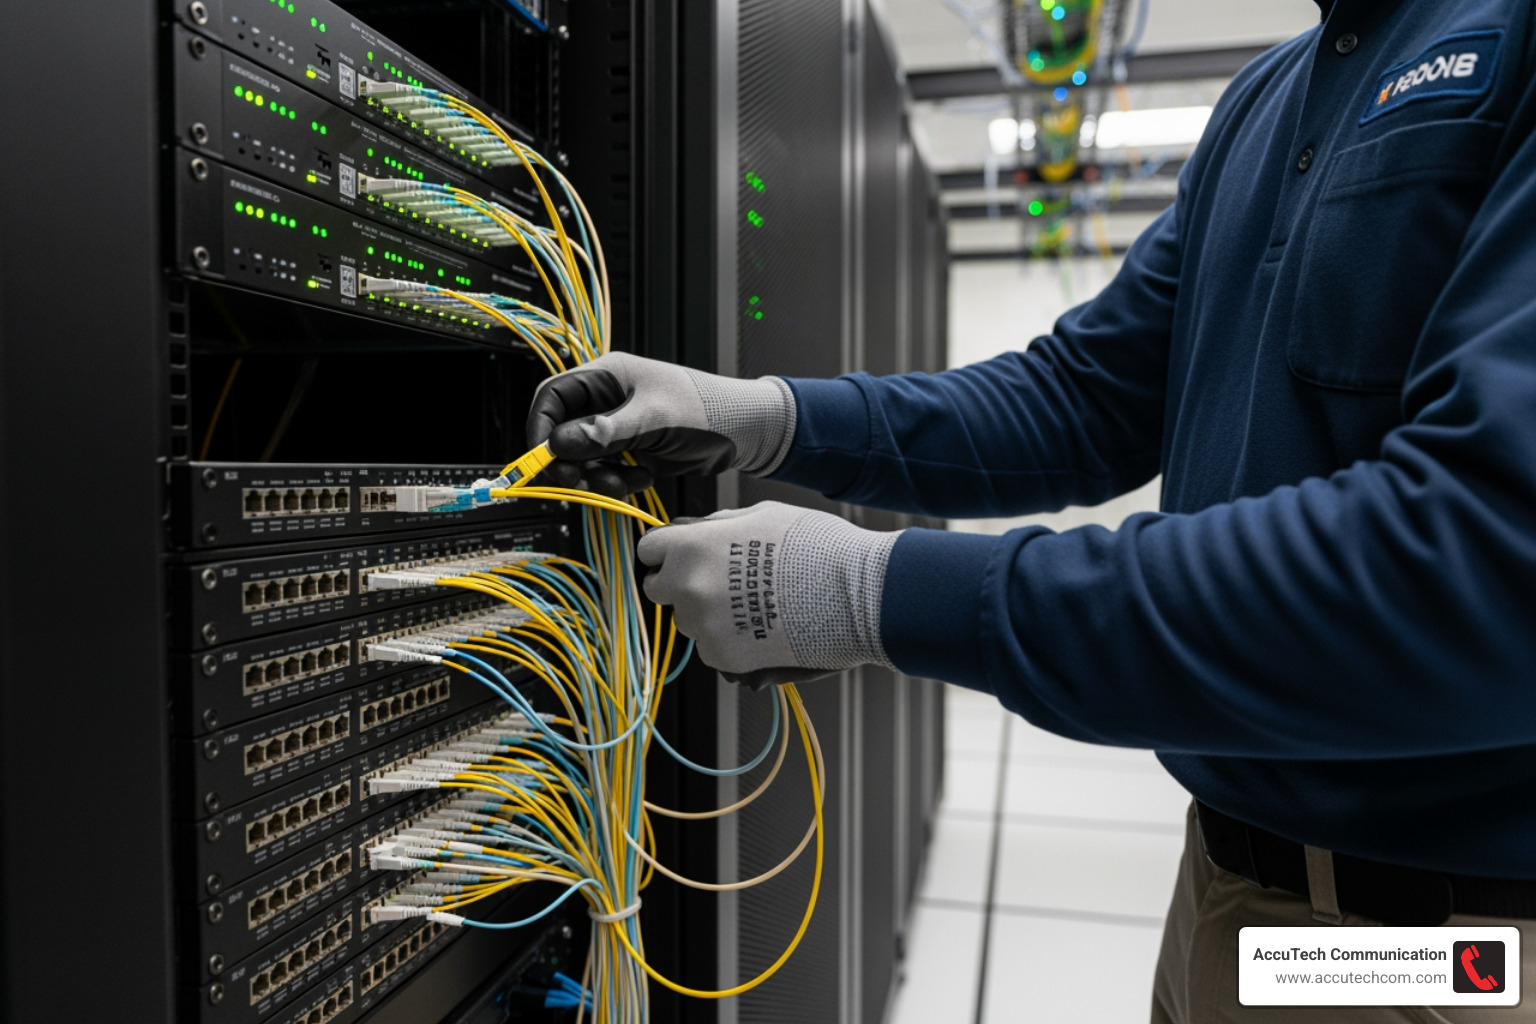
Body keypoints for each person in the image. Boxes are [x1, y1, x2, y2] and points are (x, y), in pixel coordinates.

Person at [528, 0, 1536, 1019]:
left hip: (1455, 946)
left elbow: (1486, 561)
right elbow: (1080, 400)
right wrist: (766, 418)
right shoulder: (1268, 97)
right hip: (1229, 882)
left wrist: (877, 590)